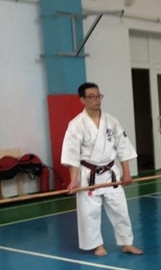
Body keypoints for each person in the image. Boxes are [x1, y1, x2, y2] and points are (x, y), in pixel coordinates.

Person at [61, 82, 143, 256]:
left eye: (98, 96)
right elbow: (72, 155)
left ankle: (127, 243)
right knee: (89, 213)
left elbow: (123, 147)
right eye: (91, 97)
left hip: (111, 173)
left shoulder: (111, 121)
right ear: (82, 100)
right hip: (88, 175)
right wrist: (73, 181)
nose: (96, 100)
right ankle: (96, 245)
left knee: (120, 210)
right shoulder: (76, 125)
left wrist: (127, 172)